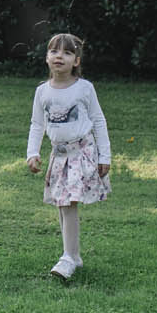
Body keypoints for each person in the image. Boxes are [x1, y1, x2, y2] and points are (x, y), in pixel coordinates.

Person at [25, 32, 111, 280]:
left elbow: (98, 120)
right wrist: (33, 153)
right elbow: (36, 124)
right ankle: (73, 255)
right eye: (54, 51)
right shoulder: (42, 91)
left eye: (67, 52)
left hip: (81, 153)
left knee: (68, 202)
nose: (59, 56)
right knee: (62, 205)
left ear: (76, 61)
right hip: (58, 155)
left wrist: (104, 156)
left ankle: (68, 258)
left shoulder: (84, 89)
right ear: (46, 58)